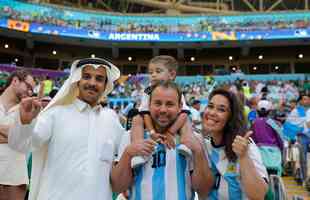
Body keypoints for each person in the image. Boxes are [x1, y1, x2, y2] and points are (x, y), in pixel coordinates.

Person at [8, 58, 124, 200]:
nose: (92, 83)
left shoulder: (111, 119)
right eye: (86, 77)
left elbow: (127, 153)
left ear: (105, 85)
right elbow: (21, 145)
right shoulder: (55, 114)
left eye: (99, 79)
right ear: (77, 81)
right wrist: (25, 123)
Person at [111, 81, 214, 200]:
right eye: (158, 103)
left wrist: (198, 152)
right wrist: (128, 154)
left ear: (180, 106)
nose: (163, 110)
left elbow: (204, 190)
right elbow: (117, 187)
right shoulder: (131, 137)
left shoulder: (192, 139)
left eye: (169, 104)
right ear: (149, 105)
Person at [201, 88, 268, 199]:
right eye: (210, 106)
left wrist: (243, 156)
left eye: (221, 110)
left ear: (231, 117)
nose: (212, 113)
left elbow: (259, 195)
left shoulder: (244, 145)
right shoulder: (204, 145)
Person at [131, 55, 194, 167]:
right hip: (151, 121)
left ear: (172, 75)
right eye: (151, 72)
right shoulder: (148, 90)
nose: (153, 75)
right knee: (136, 119)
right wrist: (152, 132)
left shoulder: (175, 90)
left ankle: (186, 144)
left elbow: (184, 112)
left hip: (173, 123)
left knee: (187, 121)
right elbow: (145, 112)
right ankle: (137, 152)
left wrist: (170, 132)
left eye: (158, 71)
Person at [0, 70, 35, 200]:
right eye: (28, 86)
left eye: (32, 89)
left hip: (15, 178)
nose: (30, 92)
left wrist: (17, 136)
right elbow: (18, 137)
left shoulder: (27, 110)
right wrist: (14, 133)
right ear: (15, 81)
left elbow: (24, 142)